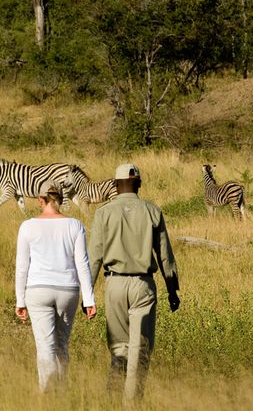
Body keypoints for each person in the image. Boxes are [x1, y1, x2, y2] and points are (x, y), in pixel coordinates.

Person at [88, 163, 180, 402]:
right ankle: (132, 403)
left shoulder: (103, 213)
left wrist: (86, 296)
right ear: (138, 183)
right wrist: (172, 290)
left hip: (114, 285)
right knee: (140, 350)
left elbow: (95, 256)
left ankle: (112, 399)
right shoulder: (152, 211)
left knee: (119, 349)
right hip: (143, 284)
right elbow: (164, 255)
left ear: (115, 185)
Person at [15, 180, 97, 393]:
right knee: (62, 345)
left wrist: (19, 300)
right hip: (68, 290)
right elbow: (82, 263)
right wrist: (89, 299)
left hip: (38, 290)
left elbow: (22, 266)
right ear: (60, 199)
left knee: (45, 346)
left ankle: (47, 396)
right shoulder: (75, 225)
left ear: (40, 200)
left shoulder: (28, 226)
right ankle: (61, 393)